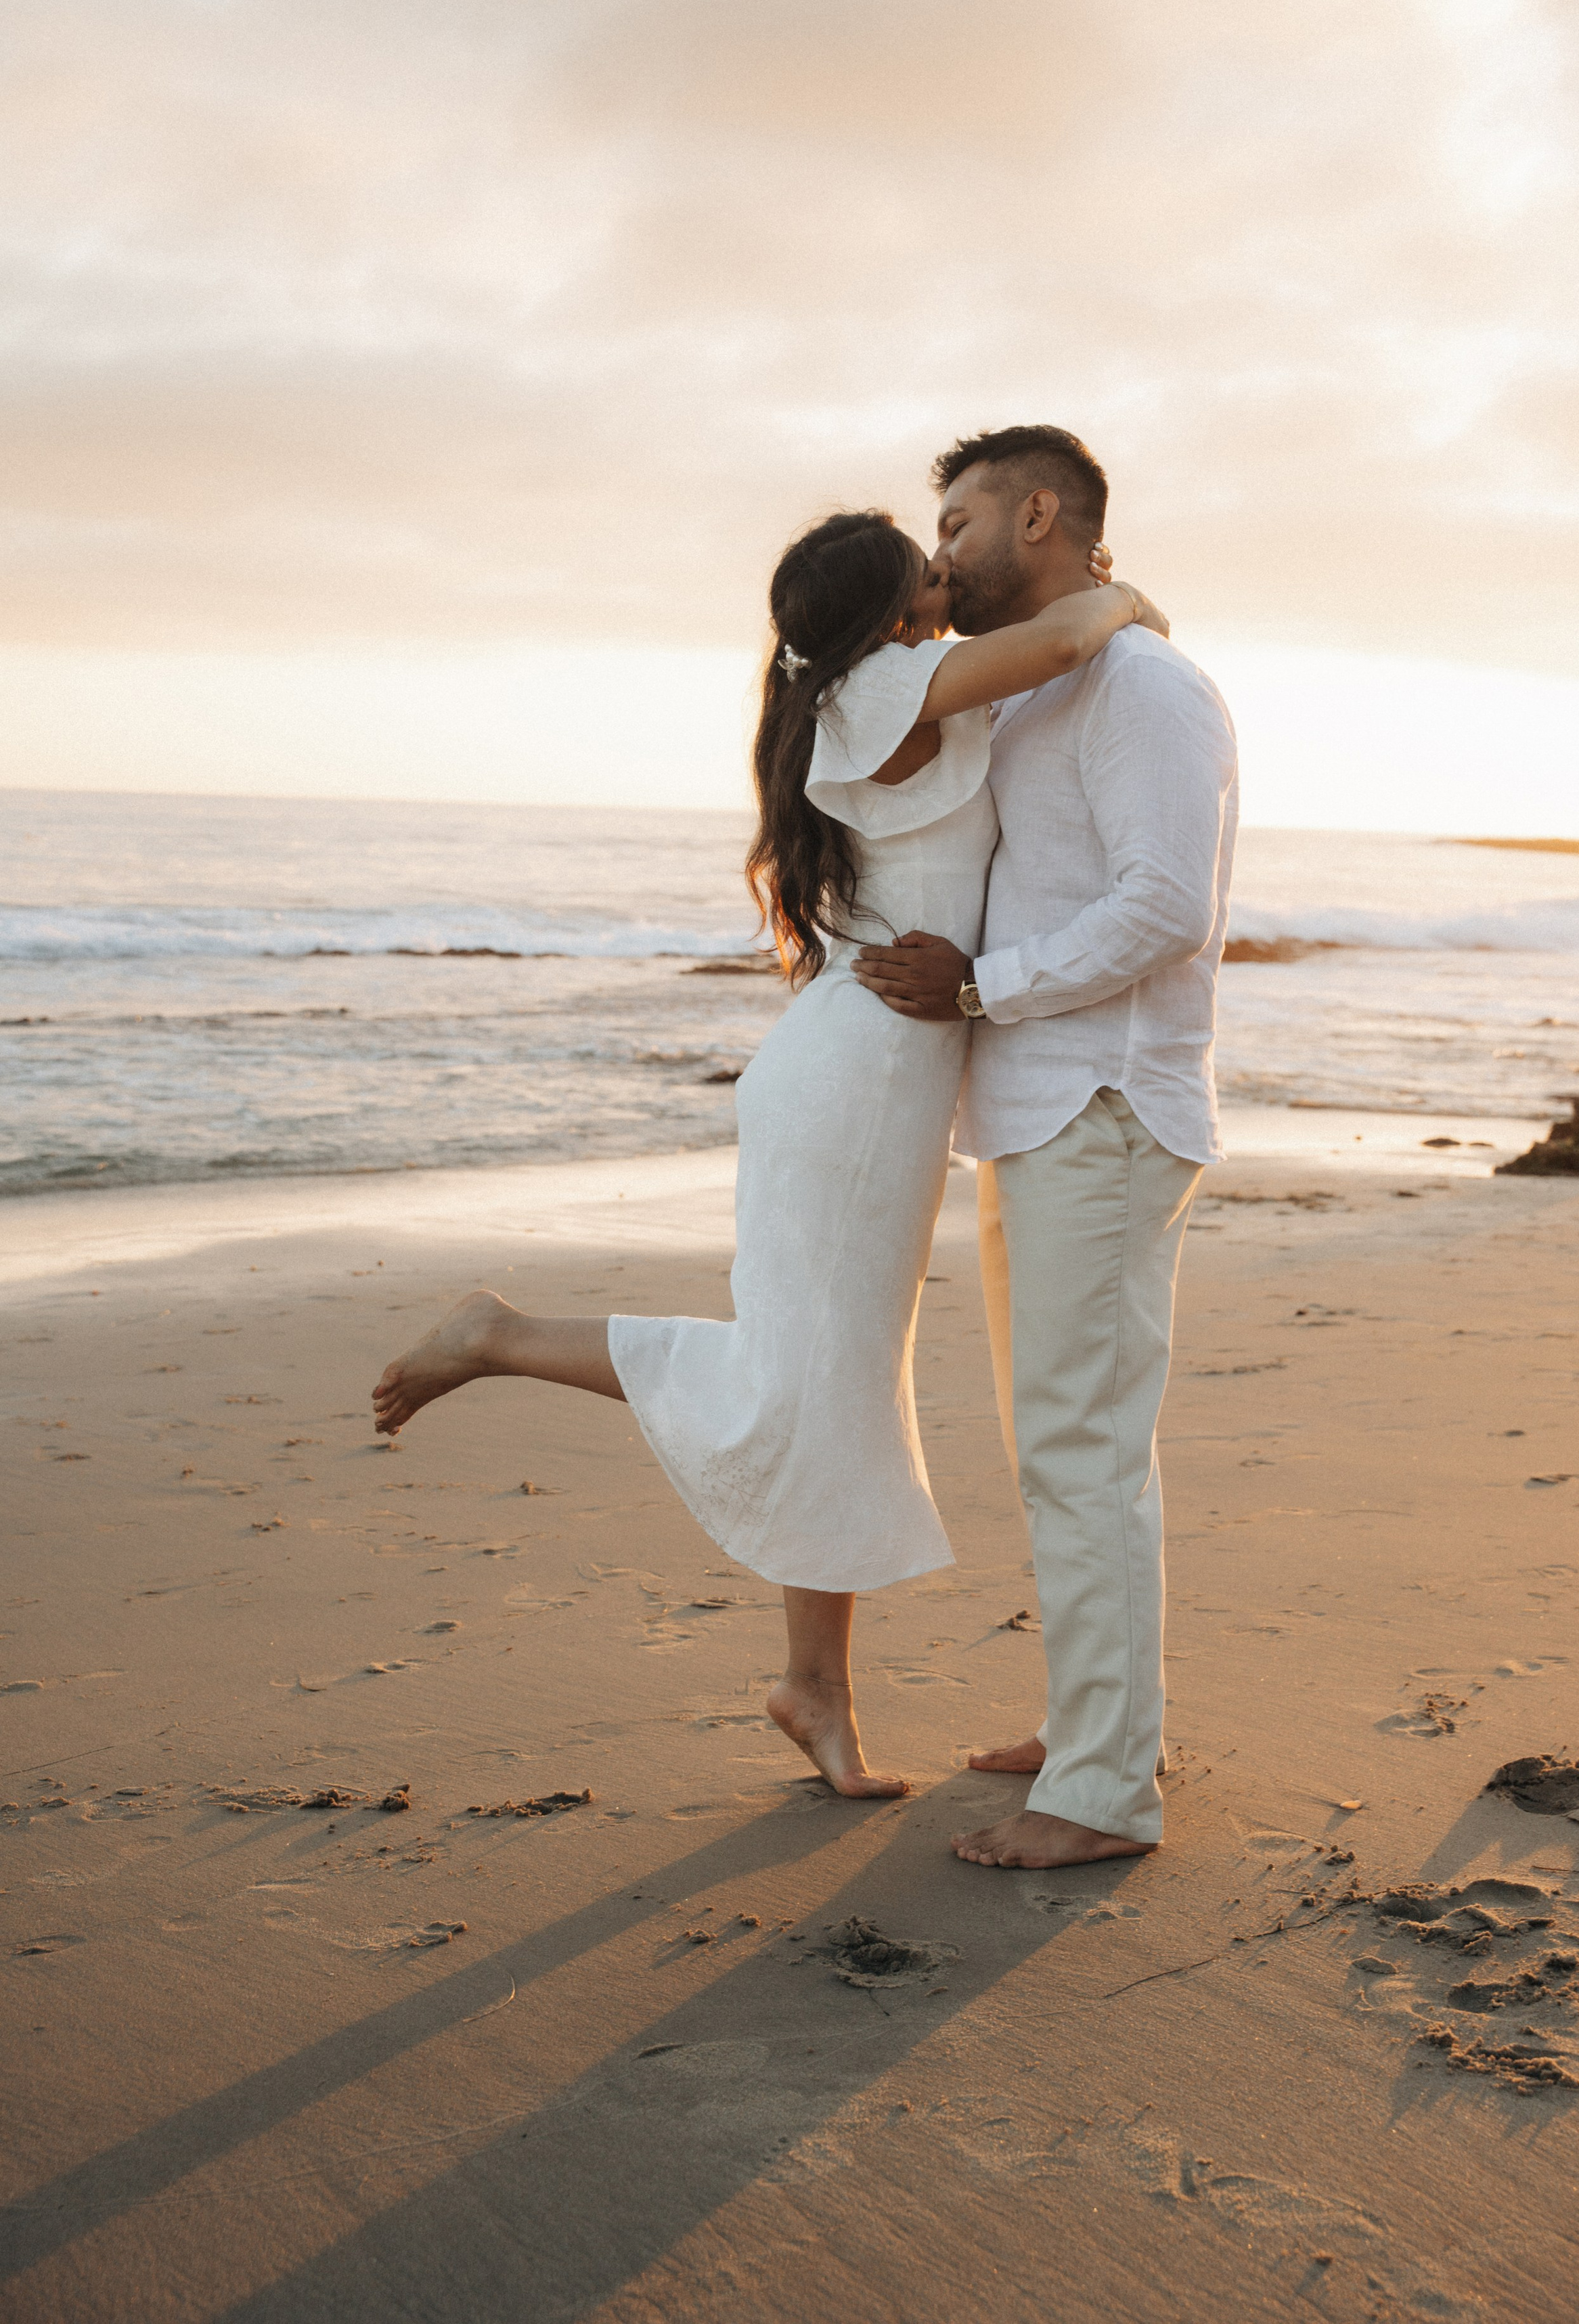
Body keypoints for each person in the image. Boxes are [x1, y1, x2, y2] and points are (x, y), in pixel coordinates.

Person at [371, 508, 1161, 1800]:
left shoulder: (875, 692)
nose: (946, 572)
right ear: (890, 611)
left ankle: (813, 1690)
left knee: (831, 1382)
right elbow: (1070, 638)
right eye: (928, 564)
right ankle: (499, 1336)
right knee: (802, 1376)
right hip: (855, 1087)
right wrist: (1131, 601)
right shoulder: (878, 690)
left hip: (874, 1077)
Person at [853, 425, 1239, 1869]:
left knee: (1084, 1453)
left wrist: (980, 990)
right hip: (1038, 1110)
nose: (938, 553)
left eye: (956, 524)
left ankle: (1102, 1792)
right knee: (1062, 1451)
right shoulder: (1038, 687)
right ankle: (1097, 1725)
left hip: (1106, 1103)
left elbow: (1164, 907)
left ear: (1036, 516)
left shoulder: (1144, 687)